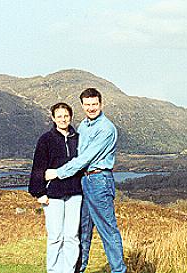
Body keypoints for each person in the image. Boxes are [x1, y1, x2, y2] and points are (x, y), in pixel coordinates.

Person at [45, 88, 127, 273]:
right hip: (84, 181)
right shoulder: (83, 126)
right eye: (87, 105)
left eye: (94, 104)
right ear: (82, 106)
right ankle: (78, 269)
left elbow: (85, 158)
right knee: (82, 231)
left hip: (99, 181)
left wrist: (58, 173)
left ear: (101, 104)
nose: (91, 108)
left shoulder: (106, 128)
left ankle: (118, 270)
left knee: (107, 230)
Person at [29, 103, 83, 273]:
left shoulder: (78, 138)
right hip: (53, 195)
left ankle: (68, 270)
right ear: (53, 118)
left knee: (72, 236)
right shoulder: (46, 139)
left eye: (66, 116)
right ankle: (54, 271)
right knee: (55, 237)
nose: (63, 119)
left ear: (71, 117)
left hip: (75, 193)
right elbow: (38, 166)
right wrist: (39, 192)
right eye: (59, 116)